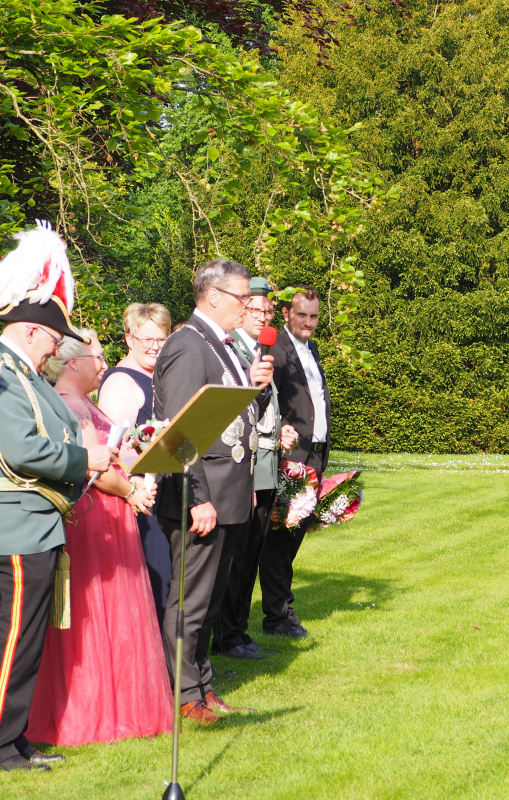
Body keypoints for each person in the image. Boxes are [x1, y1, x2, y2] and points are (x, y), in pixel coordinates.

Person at [0, 222, 118, 771]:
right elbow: (21, 449)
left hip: (30, 522)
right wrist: (86, 460)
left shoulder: (18, 371)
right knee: (13, 640)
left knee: (26, 640)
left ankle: (14, 736)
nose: (57, 347)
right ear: (30, 330)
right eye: (53, 337)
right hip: (13, 523)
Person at [26, 329, 172, 745]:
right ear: (73, 363)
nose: (105, 365)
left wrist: (141, 461)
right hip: (96, 517)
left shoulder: (80, 402)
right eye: (99, 358)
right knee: (102, 612)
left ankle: (116, 704)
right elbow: (96, 469)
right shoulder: (74, 406)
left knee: (109, 611)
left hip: (105, 512)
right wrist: (132, 491)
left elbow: (112, 456)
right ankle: (101, 710)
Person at [152, 258, 274, 724]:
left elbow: (230, 416)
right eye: (243, 298)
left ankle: (202, 686)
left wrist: (259, 389)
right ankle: (185, 695)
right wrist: (198, 496)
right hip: (199, 499)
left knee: (208, 602)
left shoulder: (221, 344)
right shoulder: (187, 345)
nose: (249, 308)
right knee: (190, 601)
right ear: (215, 296)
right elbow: (180, 430)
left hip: (228, 494)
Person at [214, 278, 298, 659]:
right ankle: (227, 635)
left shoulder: (260, 351)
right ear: (241, 309)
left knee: (251, 554)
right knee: (237, 555)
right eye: (256, 309)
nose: (263, 316)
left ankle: (238, 630)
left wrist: (281, 431)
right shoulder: (234, 350)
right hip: (245, 465)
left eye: (268, 311)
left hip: (265, 464)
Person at [260, 284, 331, 638]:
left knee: (294, 538)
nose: (308, 322)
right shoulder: (275, 348)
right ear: (286, 313)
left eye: (314, 316)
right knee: (280, 538)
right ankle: (277, 617)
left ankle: (282, 609)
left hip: (314, 455)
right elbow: (265, 401)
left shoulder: (311, 348)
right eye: (301, 314)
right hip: (289, 456)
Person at [97, 302, 172, 631]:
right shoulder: (121, 382)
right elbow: (114, 449)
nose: (155, 347)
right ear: (129, 339)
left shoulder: (156, 376)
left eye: (161, 340)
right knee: (155, 583)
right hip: (140, 498)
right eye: (147, 340)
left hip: (161, 492)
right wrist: (147, 465)